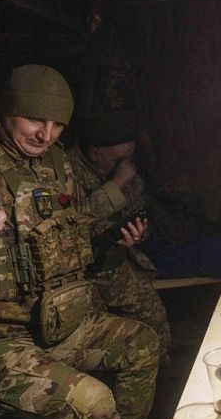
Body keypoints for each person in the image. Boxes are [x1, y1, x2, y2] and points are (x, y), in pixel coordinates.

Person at [0, 65, 159, 419]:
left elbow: (79, 232)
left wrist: (117, 242)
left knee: (142, 344)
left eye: (57, 124)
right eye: (34, 120)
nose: (46, 135)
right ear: (5, 111)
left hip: (59, 324)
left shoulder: (55, 162)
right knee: (93, 404)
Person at [66, 111, 171, 365]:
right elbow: (72, 222)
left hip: (114, 264)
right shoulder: (65, 171)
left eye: (129, 159)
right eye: (119, 160)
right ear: (94, 154)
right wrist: (116, 183)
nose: (127, 166)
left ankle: (161, 379)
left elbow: (139, 211)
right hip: (77, 272)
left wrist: (137, 234)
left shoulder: (127, 170)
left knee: (156, 322)